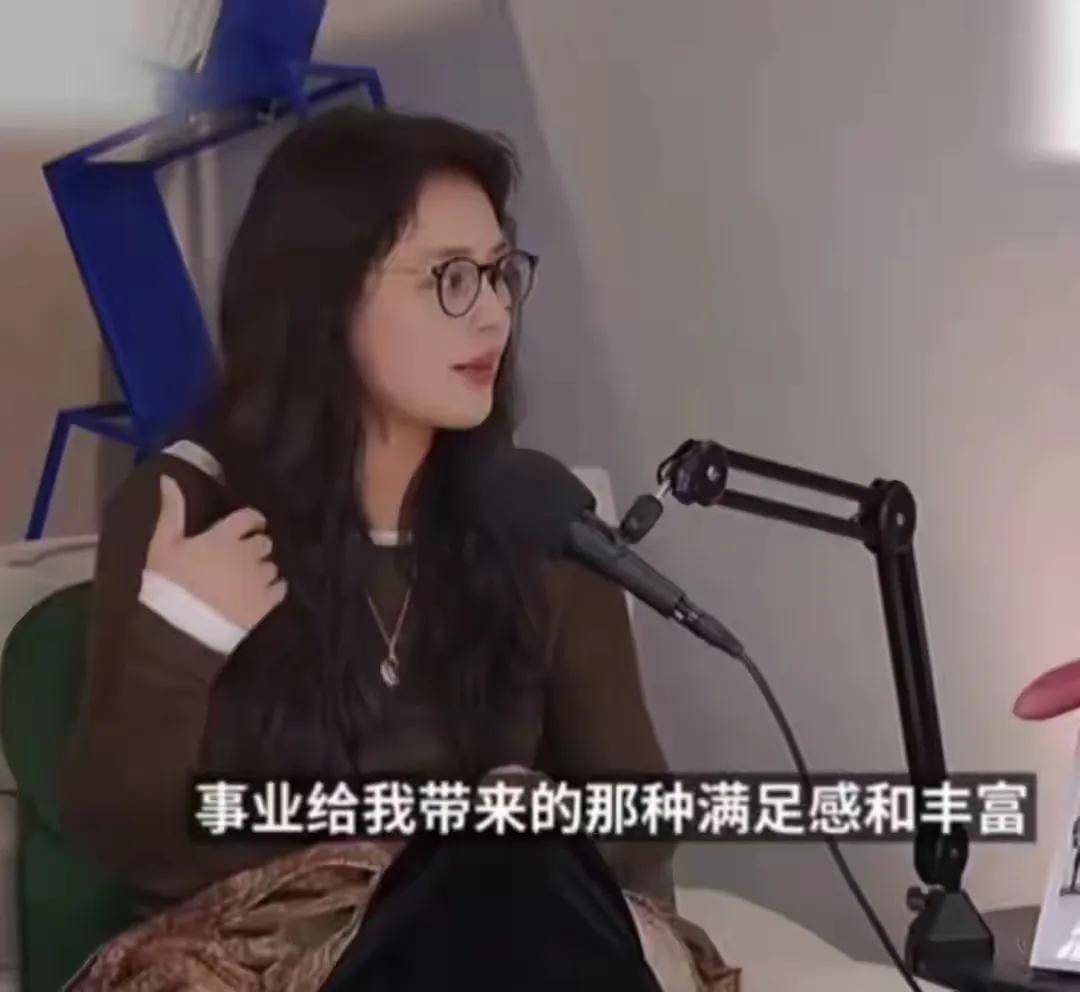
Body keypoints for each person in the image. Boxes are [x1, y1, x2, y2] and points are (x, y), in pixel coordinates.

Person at [60, 104, 728, 990]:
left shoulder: (536, 512)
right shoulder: (190, 506)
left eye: (499, 274)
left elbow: (637, 823)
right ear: (324, 296)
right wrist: (180, 638)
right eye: (450, 278)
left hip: (515, 928)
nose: (494, 314)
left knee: (508, 862)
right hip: (274, 949)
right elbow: (129, 840)